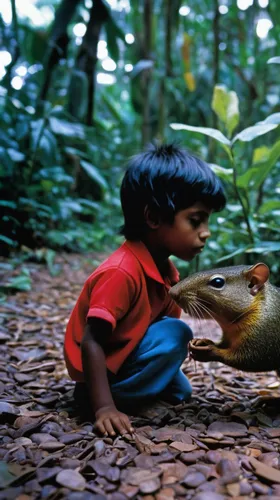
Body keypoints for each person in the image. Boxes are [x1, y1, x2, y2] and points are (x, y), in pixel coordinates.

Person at [64, 143, 226, 437]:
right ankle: (95, 399)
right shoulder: (121, 272)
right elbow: (92, 341)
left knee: (181, 391)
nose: (206, 231)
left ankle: (131, 394)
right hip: (101, 370)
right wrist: (104, 407)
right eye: (195, 220)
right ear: (153, 218)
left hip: (124, 359)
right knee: (178, 333)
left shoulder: (165, 271)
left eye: (207, 220)